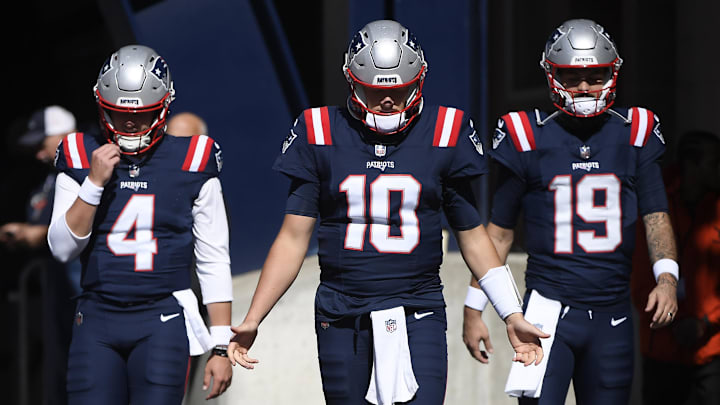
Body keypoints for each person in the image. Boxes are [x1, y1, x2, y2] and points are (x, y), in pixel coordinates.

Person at [228, 20, 548, 405]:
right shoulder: (319, 130)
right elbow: (293, 237)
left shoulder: (446, 129)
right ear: (352, 82)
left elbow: (471, 233)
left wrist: (510, 313)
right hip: (342, 310)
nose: (387, 102)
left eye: (399, 90)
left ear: (419, 80)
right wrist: (253, 317)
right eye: (374, 90)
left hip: (418, 306)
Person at [462, 19, 679, 404]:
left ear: (612, 73)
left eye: (594, 76)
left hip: (613, 313)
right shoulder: (526, 135)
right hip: (546, 311)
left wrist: (667, 279)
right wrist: (474, 307)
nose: (583, 87)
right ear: (552, 75)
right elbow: (498, 232)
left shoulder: (635, 132)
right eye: (572, 76)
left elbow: (655, 214)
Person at [47, 44, 233, 404]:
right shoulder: (78, 153)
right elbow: (61, 249)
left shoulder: (193, 158)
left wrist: (221, 345)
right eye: (117, 113)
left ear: (164, 106)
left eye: (143, 113)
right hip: (97, 317)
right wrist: (93, 184)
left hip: (161, 317)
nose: (130, 123)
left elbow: (214, 257)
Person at [631, 130, 720, 405]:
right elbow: (639, 275)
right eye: (714, 162)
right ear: (692, 164)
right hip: (662, 347)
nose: (719, 170)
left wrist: (706, 322)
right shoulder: (655, 205)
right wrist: (674, 320)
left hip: (712, 347)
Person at [0, 105, 79, 405]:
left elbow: (88, 226)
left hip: (85, 293)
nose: (37, 154)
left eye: (41, 144)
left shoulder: (92, 173)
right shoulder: (49, 181)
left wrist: (39, 234)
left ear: (63, 136)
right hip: (57, 294)